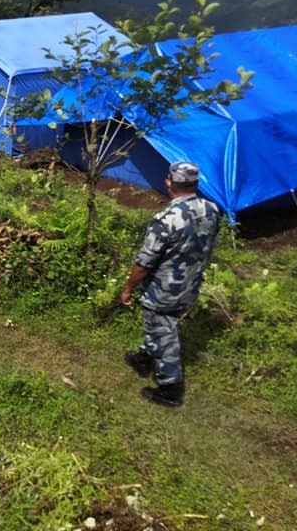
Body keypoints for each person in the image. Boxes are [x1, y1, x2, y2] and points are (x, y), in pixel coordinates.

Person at [120, 161, 221, 408]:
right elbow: (208, 250)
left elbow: (144, 262)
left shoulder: (166, 220)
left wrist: (128, 288)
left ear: (169, 183)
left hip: (164, 289)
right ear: (195, 184)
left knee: (164, 331)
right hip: (190, 283)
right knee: (158, 324)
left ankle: (170, 388)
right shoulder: (211, 210)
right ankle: (145, 358)